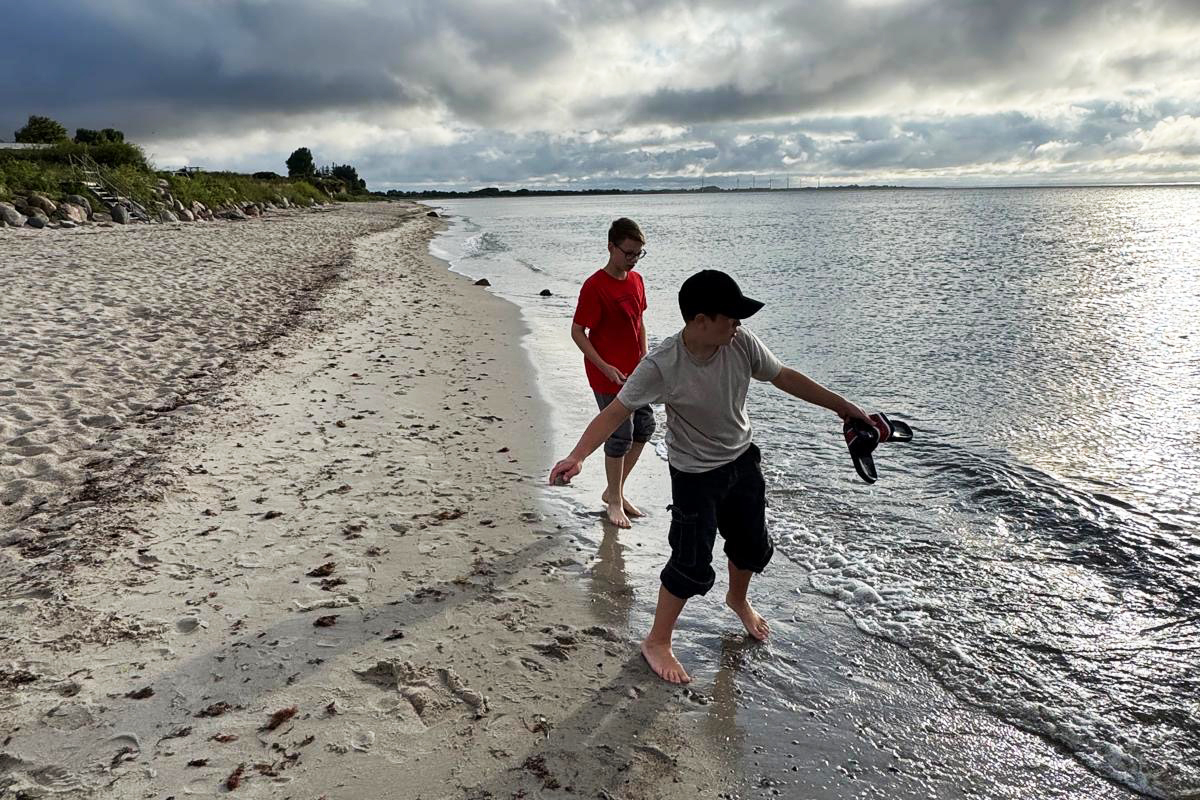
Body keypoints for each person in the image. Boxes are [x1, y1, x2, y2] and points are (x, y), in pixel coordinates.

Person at [550, 269, 872, 684]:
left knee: (751, 545)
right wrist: (577, 456)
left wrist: (842, 406)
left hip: (742, 462)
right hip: (695, 475)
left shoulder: (740, 343)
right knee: (690, 561)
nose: (738, 323)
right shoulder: (662, 364)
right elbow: (615, 412)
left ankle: (737, 600)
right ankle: (657, 641)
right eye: (731, 316)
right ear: (701, 320)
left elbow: (784, 376)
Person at [570, 217, 655, 529]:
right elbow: (578, 331)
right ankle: (615, 501)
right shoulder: (595, 286)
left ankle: (613, 491)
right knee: (620, 433)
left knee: (645, 426)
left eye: (638, 254)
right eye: (628, 253)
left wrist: (645, 357)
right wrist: (604, 365)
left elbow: (639, 322)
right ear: (611, 247)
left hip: (636, 371)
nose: (633, 260)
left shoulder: (637, 280)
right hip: (606, 373)